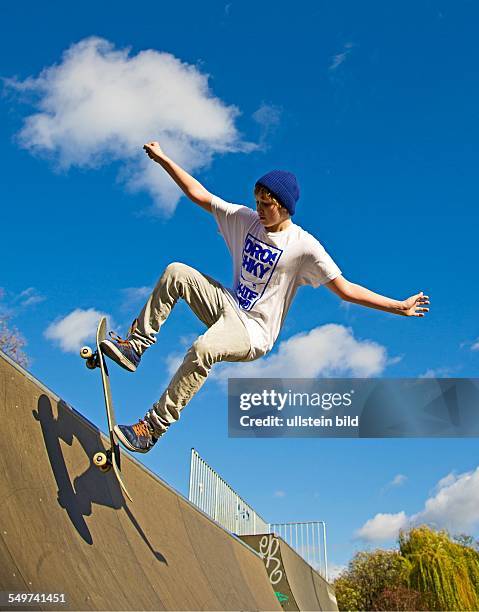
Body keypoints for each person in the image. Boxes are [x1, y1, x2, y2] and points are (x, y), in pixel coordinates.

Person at [101, 141, 430, 453]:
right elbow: (198, 194)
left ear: (284, 207)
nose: (258, 210)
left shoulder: (304, 247)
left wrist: (397, 306)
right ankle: (135, 347)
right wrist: (164, 160)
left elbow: (345, 289)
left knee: (203, 349)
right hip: (228, 304)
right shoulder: (245, 219)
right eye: (257, 202)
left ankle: (152, 428)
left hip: (253, 332)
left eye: (266, 205)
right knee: (176, 272)